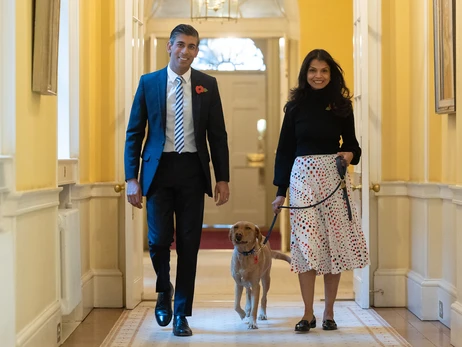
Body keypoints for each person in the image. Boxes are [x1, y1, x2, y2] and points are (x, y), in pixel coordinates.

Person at [124, 24, 230, 337]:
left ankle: (181, 313)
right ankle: (162, 288)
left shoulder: (207, 84)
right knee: (157, 242)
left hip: (193, 172)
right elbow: (134, 133)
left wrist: (222, 178)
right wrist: (131, 177)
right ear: (169, 47)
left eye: (193, 46)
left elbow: (218, 135)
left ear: (198, 50)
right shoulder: (149, 83)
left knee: (188, 244)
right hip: (158, 171)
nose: (187, 52)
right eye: (181, 45)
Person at [272, 49, 369, 333]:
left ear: (331, 74)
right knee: (306, 246)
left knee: (333, 246)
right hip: (302, 179)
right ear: (305, 74)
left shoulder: (341, 105)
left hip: (333, 180)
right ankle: (307, 313)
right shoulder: (294, 108)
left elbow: (353, 145)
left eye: (324, 71)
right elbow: (285, 151)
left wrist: (349, 156)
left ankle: (328, 313)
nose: (318, 76)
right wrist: (281, 192)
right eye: (313, 70)